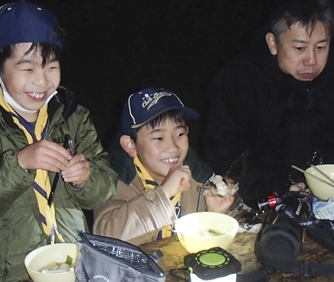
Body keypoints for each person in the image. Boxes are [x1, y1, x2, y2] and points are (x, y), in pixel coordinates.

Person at [0, 1, 117, 282]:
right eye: (26, 68)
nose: (42, 80)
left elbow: (105, 187)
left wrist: (86, 178)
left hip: (74, 262)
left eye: (51, 66)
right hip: (9, 277)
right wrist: (19, 163)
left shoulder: (73, 116)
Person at [204, 0, 334, 206]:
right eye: (299, 48)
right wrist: (279, 187)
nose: (311, 60)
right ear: (273, 43)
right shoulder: (237, 80)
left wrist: (317, 181)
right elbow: (224, 153)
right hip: (257, 196)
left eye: (321, 47)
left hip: (324, 192)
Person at [93, 87, 236, 245]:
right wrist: (164, 193)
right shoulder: (113, 181)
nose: (173, 147)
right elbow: (105, 238)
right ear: (130, 145)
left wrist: (216, 215)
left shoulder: (199, 177)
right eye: (159, 138)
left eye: (180, 134)